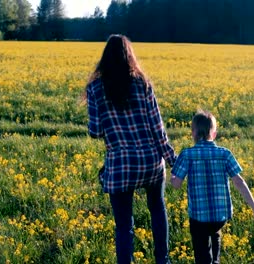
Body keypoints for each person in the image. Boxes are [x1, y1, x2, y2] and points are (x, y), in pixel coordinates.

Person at [86, 34, 176, 264]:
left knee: (124, 225)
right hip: (150, 162)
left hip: (121, 164)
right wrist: (173, 159)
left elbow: (95, 131)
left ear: (105, 58)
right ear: (129, 56)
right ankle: (162, 260)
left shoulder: (95, 88)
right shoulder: (143, 83)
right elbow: (158, 128)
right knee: (157, 209)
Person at [170, 110, 254, 264]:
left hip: (198, 217)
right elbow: (240, 182)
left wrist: (171, 176)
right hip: (219, 216)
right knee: (214, 233)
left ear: (193, 133)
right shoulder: (225, 154)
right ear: (214, 134)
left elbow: (176, 185)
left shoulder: (187, 155)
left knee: (202, 255)